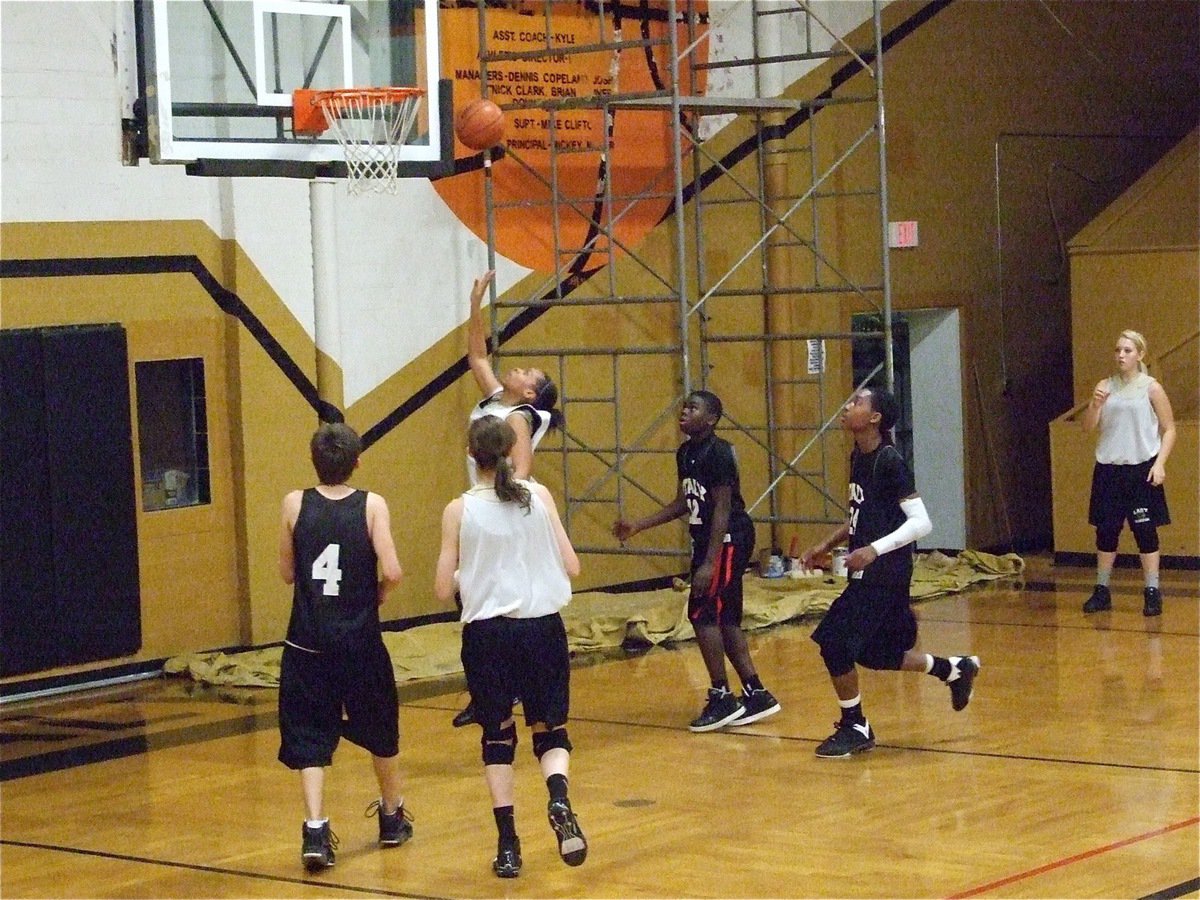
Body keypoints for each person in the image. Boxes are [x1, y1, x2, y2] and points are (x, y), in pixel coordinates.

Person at [435, 416, 587, 878]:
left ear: (471, 455)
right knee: (550, 730)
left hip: (488, 637)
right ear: (510, 451)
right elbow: (573, 566)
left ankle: (508, 844)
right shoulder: (538, 497)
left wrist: (471, 574)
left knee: (497, 738)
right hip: (543, 629)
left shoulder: (458, 510)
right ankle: (558, 798)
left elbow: (443, 588)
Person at [801, 385, 978, 758]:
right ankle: (953, 669)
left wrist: (873, 550)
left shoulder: (889, 461)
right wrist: (828, 544)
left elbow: (921, 523)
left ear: (876, 418)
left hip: (886, 573)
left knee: (834, 643)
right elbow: (861, 516)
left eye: (857, 403)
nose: (847, 407)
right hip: (871, 571)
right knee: (876, 652)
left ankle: (856, 726)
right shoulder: (858, 457)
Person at [277, 422, 412, 872]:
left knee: (309, 738)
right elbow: (392, 571)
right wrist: (375, 595)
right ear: (357, 461)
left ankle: (315, 828)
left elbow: (287, 572)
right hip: (359, 642)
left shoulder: (294, 503)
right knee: (381, 728)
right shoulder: (372, 505)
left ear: (313, 461)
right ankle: (392, 815)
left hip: (307, 643)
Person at [612, 390, 781, 732]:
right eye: (684, 405)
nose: (684, 411)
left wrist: (709, 561)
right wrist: (639, 525)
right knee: (726, 616)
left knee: (702, 613)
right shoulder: (686, 452)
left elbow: (722, 507)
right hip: (711, 538)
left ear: (712, 418)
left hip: (728, 536)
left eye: (694, 407)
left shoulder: (718, 452)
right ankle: (756, 692)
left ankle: (721, 696)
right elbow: (684, 502)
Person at [453, 269, 565, 727]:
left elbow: (521, 470)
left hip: (498, 508)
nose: (514, 368)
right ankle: (493, 689)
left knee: (483, 601)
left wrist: (492, 502)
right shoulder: (501, 398)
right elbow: (476, 354)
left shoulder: (522, 414)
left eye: (524, 371)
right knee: (473, 599)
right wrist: (475, 301)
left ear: (531, 391)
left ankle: (499, 689)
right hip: (483, 502)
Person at [1080, 329, 1175, 617]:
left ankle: (1152, 590)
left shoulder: (1151, 388)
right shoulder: (1105, 386)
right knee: (1106, 531)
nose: (1121, 355)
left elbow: (1169, 428)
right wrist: (1095, 405)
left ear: (1140, 355)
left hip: (1141, 470)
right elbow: (1087, 427)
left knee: (1145, 532)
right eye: (1118, 350)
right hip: (1109, 470)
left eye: (1128, 351)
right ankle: (1102, 589)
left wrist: (1159, 464)